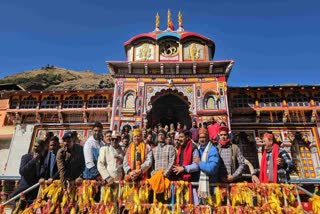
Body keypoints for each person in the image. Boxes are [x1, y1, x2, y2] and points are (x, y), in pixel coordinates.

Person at [9, 139, 47, 204]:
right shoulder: (26, 157)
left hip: (36, 193)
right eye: (35, 146)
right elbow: (22, 171)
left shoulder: (44, 160)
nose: (35, 148)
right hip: (24, 191)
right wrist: (33, 161)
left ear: (42, 148)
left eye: (38, 147)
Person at [173, 130, 200, 204]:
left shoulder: (194, 148)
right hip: (181, 181)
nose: (179, 139)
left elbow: (196, 166)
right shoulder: (180, 148)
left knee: (193, 205)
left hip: (192, 182)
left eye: (181, 137)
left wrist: (184, 168)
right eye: (179, 137)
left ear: (187, 137)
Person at [148, 129, 176, 202]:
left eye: (162, 135)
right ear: (157, 137)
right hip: (156, 179)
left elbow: (172, 162)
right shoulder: (154, 149)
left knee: (166, 202)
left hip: (166, 178)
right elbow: (151, 164)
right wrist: (153, 173)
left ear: (165, 137)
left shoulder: (170, 148)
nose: (160, 136)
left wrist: (164, 175)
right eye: (159, 135)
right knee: (155, 202)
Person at [193, 128, 220, 202]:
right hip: (200, 186)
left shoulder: (212, 150)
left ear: (208, 138)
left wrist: (199, 162)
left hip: (211, 186)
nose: (202, 139)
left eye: (204, 137)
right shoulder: (197, 149)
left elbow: (212, 168)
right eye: (200, 137)